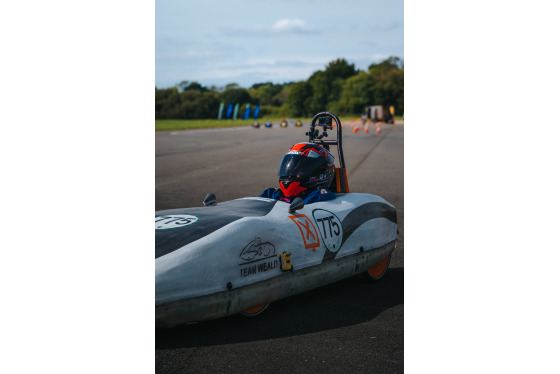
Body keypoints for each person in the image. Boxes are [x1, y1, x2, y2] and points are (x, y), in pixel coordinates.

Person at [260, 142, 337, 204]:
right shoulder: (272, 194)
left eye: (300, 170)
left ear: (320, 174)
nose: (291, 173)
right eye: (291, 169)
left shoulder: (320, 195)